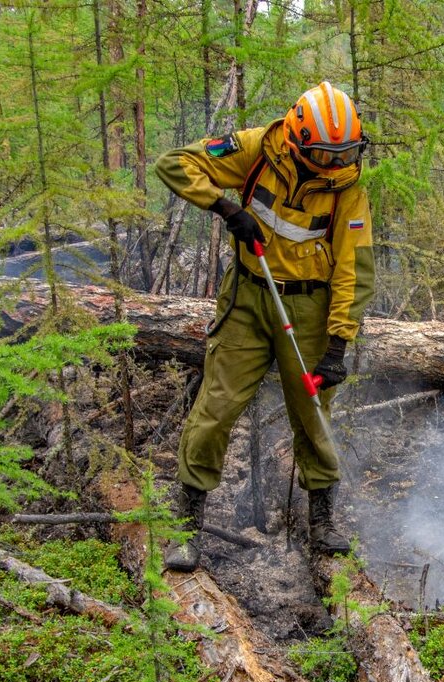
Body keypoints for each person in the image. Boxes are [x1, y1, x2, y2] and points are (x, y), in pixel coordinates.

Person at [155, 81, 375, 570]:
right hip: (249, 298)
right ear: (297, 139)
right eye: (324, 152)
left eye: (345, 152)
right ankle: (186, 528)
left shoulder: (347, 192)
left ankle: (322, 523)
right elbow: (174, 164)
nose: (336, 162)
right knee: (216, 406)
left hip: (310, 310)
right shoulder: (257, 150)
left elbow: (353, 271)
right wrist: (226, 207)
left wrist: (338, 344)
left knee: (313, 415)